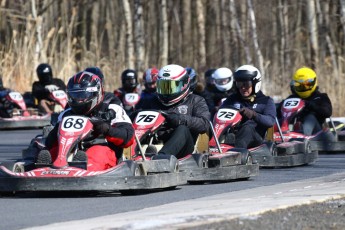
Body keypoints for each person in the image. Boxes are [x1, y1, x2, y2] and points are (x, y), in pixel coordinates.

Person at [37, 70, 135, 171]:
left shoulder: (112, 108)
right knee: (50, 152)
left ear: (95, 93)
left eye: (82, 95)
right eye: (75, 95)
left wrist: (107, 130)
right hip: (71, 151)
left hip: (103, 148)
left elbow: (129, 137)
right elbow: (50, 141)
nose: (79, 100)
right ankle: (44, 168)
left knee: (95, 155)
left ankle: (82, 169)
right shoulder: (67, 113)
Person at [135, 64, 210, 159]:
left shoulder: (195, 100)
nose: (166, 91)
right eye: (163, 86)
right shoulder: (152, 101)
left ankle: (161, 158)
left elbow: (204, 123)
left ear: (183, 84)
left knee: (182, 129)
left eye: (170, 87)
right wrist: (135, 116)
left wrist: (180, 120)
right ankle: (130, 156)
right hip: (154, 142)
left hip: (185, 148)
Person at [220, 65, 276, 149]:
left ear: (255, 84)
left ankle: (236, 153)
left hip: (256, 138)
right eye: (239, 84)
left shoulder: (265, 101)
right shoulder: (232, 99)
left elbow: (270, 121)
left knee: (247, 128)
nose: (243, 88)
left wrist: (254, 115)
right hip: (233, 134)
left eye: (246, 84)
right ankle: (212, 148)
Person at [277, 67, 332, 135]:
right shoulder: (292, 98)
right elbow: (278, 112)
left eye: (307, 85)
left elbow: (327, 113)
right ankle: (277, 135)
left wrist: (309, 105)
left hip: (317, 134)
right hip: (291, 131)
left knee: (310, 117)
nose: (303, 88)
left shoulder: (320, 97)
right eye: (300, 85)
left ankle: (303, 133)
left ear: (314, 82)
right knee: (278, 120)